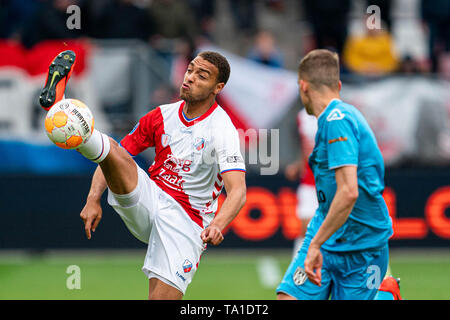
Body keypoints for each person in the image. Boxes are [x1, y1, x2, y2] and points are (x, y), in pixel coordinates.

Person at [40, 50, 247, 300]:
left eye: (201, 76)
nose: (190, 77)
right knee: (117, 151)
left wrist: (217, 225)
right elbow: (116, 154)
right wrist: (93, 197)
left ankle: (68, 116)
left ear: (218, 87)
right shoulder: (161, 116)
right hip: (150, 198)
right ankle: (65, 112)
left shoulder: (222, 129)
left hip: (187, 222)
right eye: (190, 70)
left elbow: (237, 191)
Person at [276, 49, 401, 300]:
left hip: (363, 245)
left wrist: (314, 244)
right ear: (339, 85)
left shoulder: (337, 119)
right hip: (329, 234)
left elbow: (348, 191)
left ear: (303, 86)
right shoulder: (332, 120)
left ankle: (386, 296)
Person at [284, 108, 318, 256]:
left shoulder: (335, 116)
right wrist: (299, 166)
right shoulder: (302, 117)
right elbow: (306, 150)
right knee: (306, 228)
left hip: (332, 184)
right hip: (309, 183)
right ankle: (297, 270)